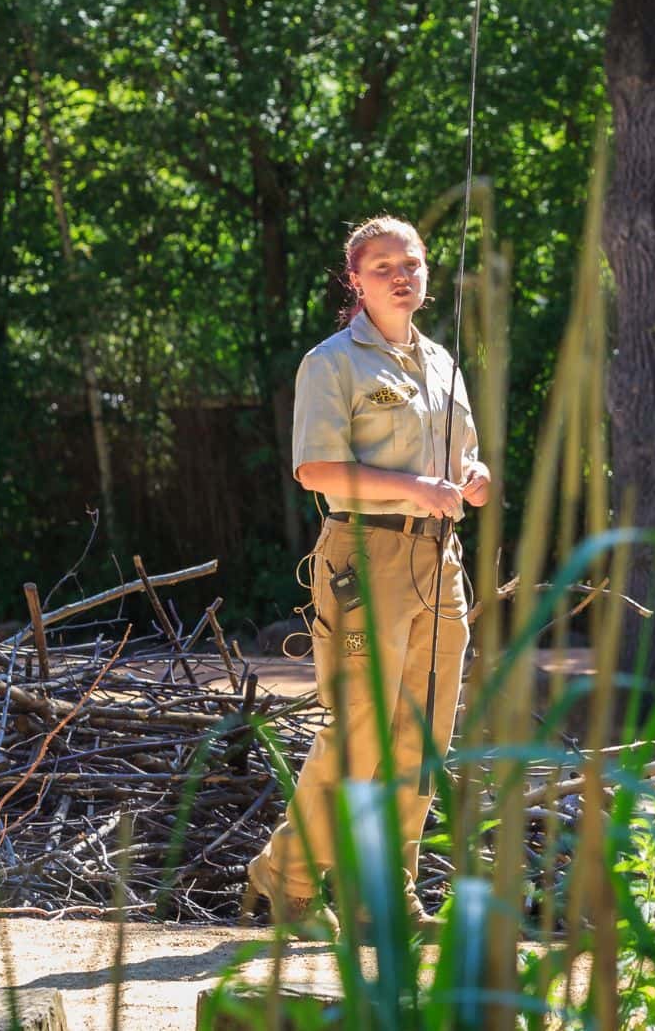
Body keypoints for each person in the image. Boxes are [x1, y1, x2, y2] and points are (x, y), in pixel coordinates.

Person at [242, 215, 490, 935]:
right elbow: (315, 469)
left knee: (424, 736)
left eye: (410, 262)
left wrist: (472, 479)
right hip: (364, 559)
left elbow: (465, 459)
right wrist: (416, 488)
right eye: (381, 265)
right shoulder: (333, 362)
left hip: (440, 562)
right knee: (359, 733)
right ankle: (285, 876)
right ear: (355, 280)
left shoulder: (442, 362)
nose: (400, 274)